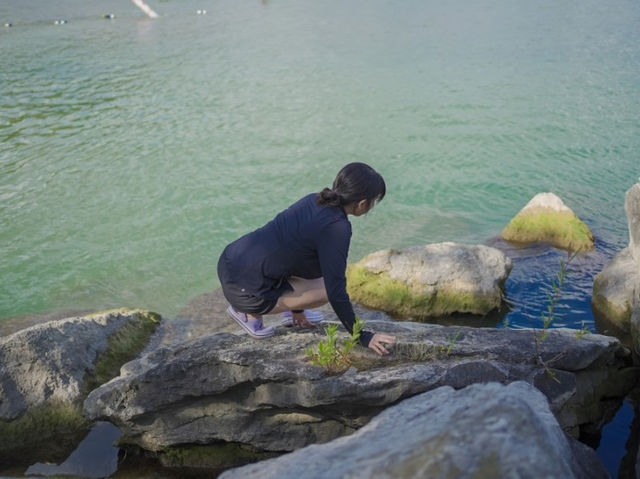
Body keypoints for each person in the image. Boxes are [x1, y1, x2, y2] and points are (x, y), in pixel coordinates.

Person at [216, 162, 396, 356]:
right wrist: (361, 336)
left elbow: (295, 254)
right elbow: (336, 290)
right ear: (362, 203)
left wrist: (298, 311)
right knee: (327, 289)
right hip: (244, 291)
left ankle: (287, 311)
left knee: (319, 268)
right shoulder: (338, 228)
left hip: (229, 260)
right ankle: (248, 314)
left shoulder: (314, 200)